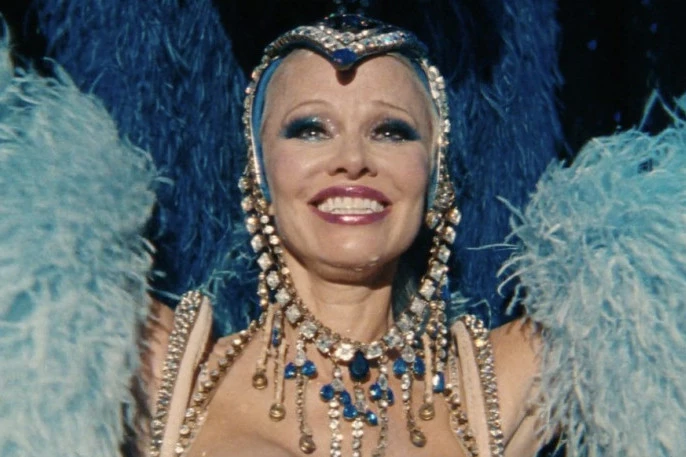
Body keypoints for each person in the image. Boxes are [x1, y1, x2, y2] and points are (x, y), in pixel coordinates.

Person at [2, 3, 685, 457]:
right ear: (260, 177)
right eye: (310, 129)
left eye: (391, 130)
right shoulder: (166, 367)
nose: (352, 159)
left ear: (435, 177)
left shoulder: (498, 382)